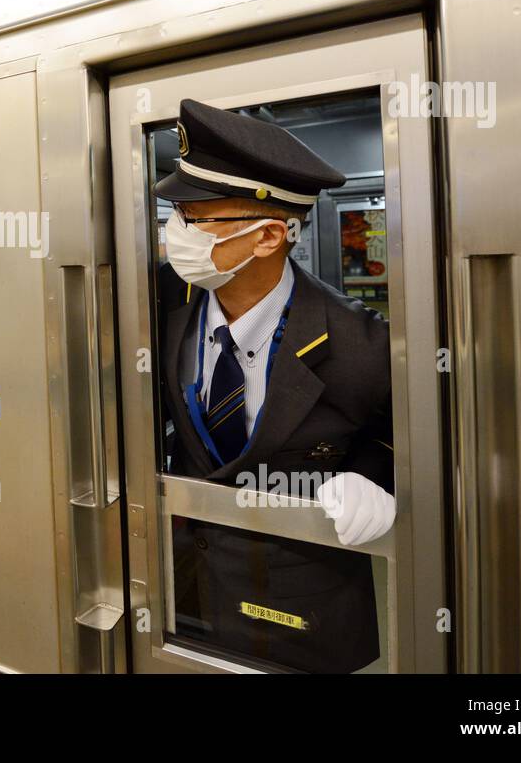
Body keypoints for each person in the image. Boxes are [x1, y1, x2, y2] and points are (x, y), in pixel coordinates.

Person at [155, 99, 394, 673]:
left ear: (266, 238)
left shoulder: (360, 345)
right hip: (183, 594)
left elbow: (410, 438)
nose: (173, 233)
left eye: (194, 218)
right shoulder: (163, 300)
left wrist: (375, 478)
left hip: (299, 611)